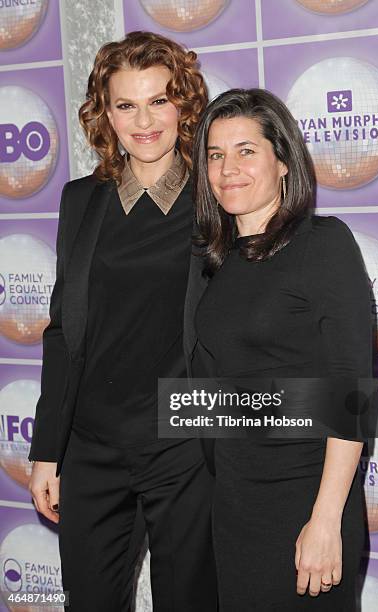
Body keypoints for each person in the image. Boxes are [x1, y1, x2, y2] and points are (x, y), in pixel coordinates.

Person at [28, 31, 217, 612]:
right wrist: (46, 450)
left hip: (183, 445)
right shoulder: (80, 200)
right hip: (91, 444)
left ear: (184, 104)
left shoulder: (217, 199)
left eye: (159, 100)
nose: (143, 122)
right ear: (103, 112)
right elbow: (63, 331)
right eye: (125, 104)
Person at [188, 88, 373, 611]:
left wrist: (326, 520)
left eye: (247, 151)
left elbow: (351, 393)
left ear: (285, 161)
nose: (228, 169)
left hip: (305, 502)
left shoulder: (323, 245)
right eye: (215, 155)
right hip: (236, 501)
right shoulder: (218, 262)